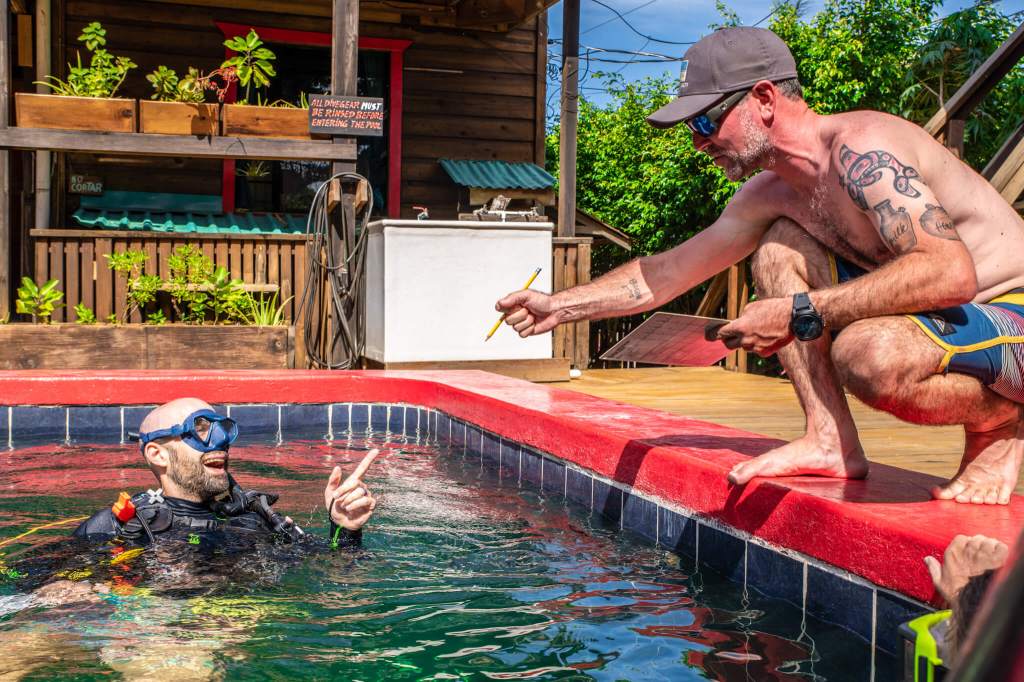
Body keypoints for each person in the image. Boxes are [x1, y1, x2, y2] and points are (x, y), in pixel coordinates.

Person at [496, 26, 1024, 505]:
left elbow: (951, 273)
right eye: (691, 127)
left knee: (868, 355)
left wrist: (798, 312)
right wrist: (558, 305)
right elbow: (665, 273)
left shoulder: (864, 152)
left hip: (1009, 311)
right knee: (777, 248)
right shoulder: (773, 195)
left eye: (705, 120)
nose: (698, 141)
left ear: (764, 99)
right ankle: (829, 440)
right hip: (952, 320)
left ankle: (1002, 420)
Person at [72, 397, 378, 547]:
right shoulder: (119, 526)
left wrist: (345, 528)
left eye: (222, 431)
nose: (219, 444)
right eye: (201, 430)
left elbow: (337, 583)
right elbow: (38, 586)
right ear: (157, 454)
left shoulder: (256, 522)